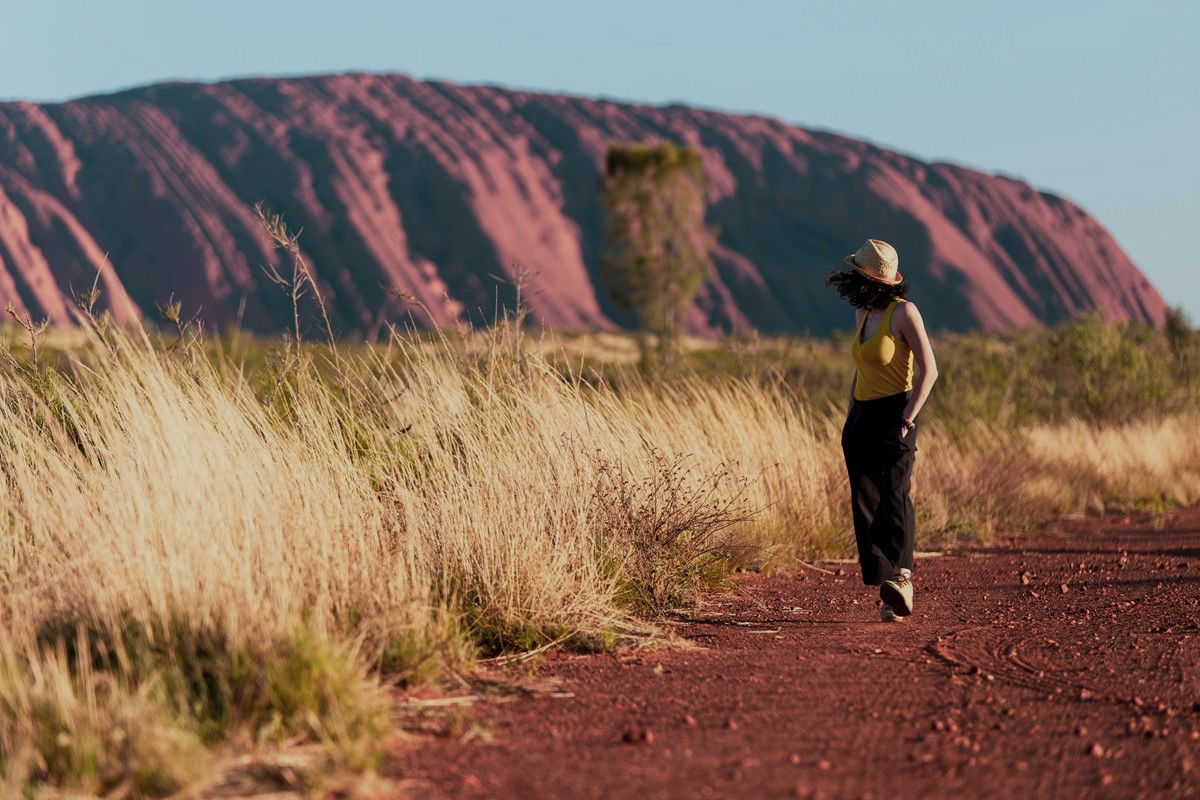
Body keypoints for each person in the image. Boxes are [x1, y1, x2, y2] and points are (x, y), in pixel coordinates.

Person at [826, 239, 939, 622]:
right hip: (861, 415)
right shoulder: (862, 315)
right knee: (865, 496)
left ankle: (903, 578)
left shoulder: (904, 313)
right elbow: (862, 370)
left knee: (894, 492)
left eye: (857, 274)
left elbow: (930, 371)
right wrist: (850, 413)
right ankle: (886, 582)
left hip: (896, 412)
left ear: (869, 279)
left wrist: (908, 417)